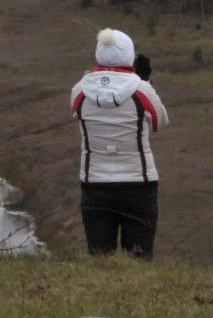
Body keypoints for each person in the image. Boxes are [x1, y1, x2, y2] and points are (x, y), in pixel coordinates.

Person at [71, 28, 168, 259]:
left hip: (94, 183)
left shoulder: (79, 91)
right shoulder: (141, 90)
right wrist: (146, 82)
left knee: (99, 259)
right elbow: (159, 121)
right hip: (139, 183)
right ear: (129, 56)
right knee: (139, 258)